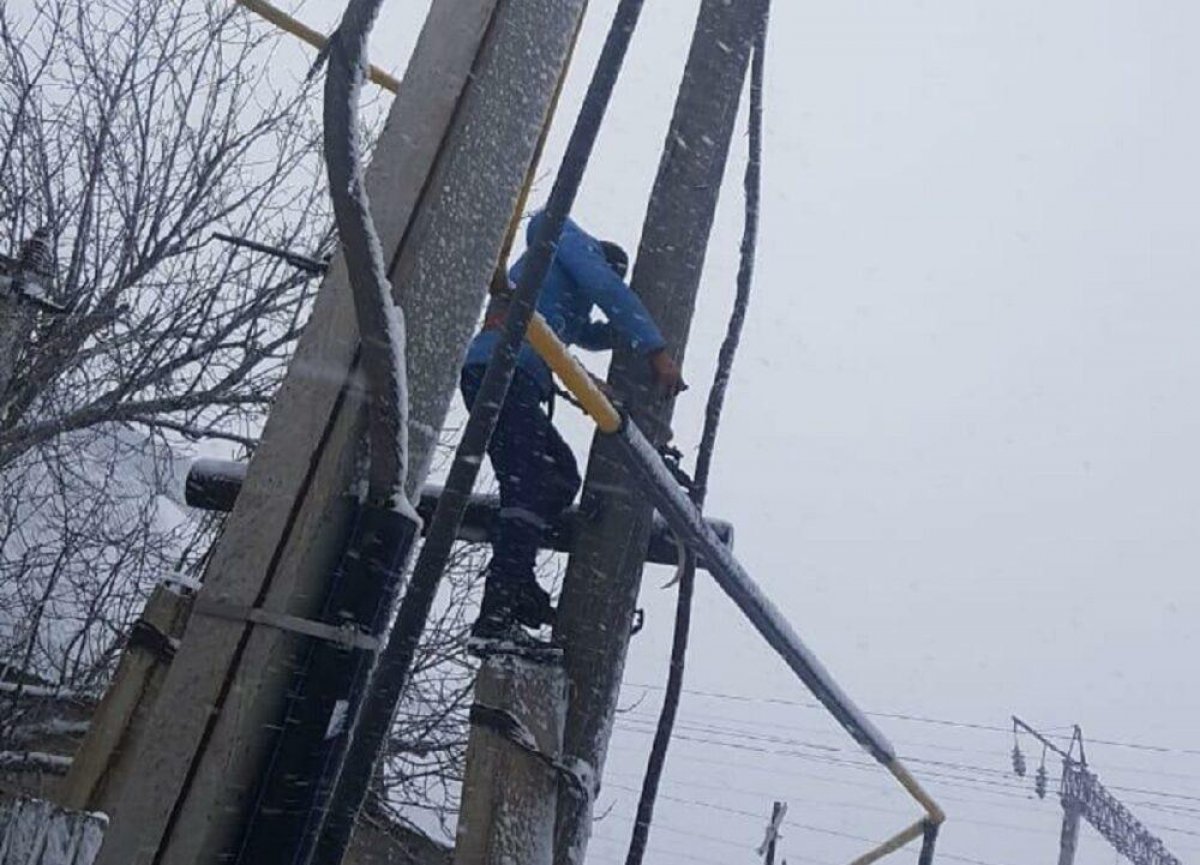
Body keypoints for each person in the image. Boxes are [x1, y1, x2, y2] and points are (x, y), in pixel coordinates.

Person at [460, 210, 685, 642]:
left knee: (559, 478)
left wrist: (635, 332)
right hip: (501, 367)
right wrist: (655, 349)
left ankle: (515, 573)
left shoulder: (560, 299)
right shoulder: (561, 235)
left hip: (516, 378)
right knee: (529, 483)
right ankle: (498, 613)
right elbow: (604, 287)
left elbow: (591, 333)